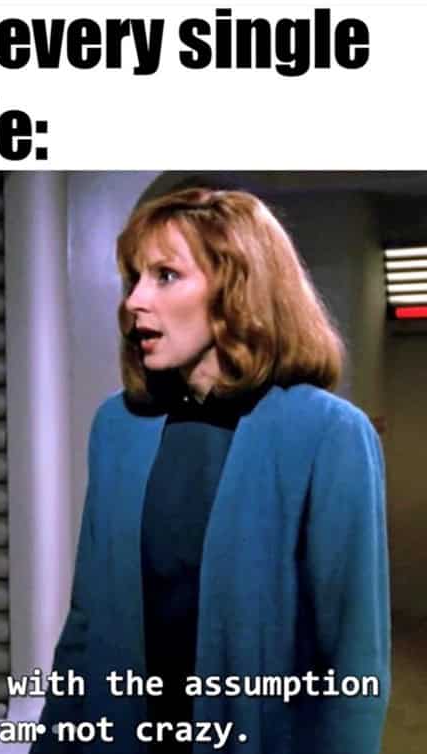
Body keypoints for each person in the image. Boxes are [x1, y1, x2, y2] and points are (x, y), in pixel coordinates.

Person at [30, 188, 390, 754]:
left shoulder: (330, 434)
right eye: (134, 279)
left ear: (236, 289)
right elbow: (86, 622)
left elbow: (353, 663)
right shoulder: (117, 426)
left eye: (166, 275)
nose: (134, 301)